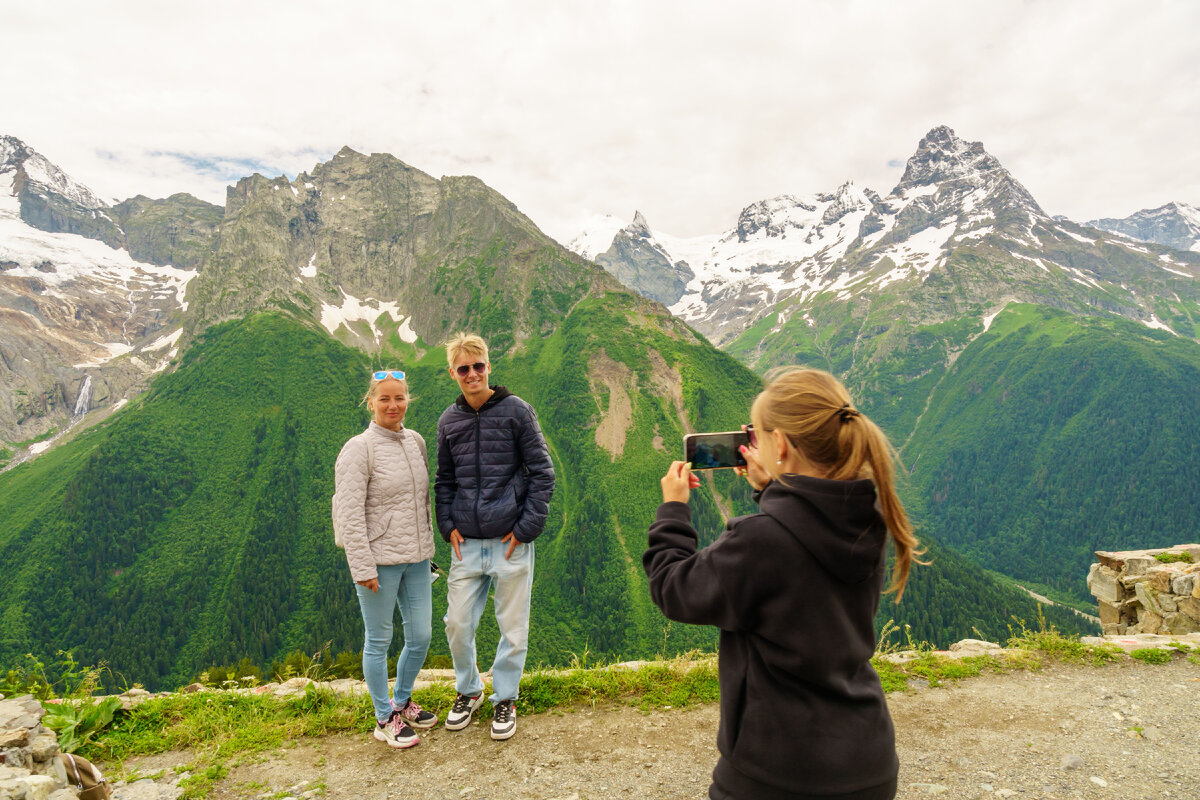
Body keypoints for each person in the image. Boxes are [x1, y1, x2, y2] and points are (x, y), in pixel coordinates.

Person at [644, 368, 921, 800]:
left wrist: (673, 512)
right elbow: (803, 545)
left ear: (784, 446)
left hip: (777, 772)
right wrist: (773, 486)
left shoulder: (761, 542)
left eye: (760, 435)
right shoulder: (868, 519)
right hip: (869, 764)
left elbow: (673, 588)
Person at [435, 333, 555, 740]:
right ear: (453, 373)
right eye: (463, 368)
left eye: (478, 366)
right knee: (456, 623)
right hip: (465, 542)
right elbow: (445, 480)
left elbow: (543, 472)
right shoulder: (448, 422)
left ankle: (505, 698)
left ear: (489, 366)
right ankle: (469, 691)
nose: (472, 374)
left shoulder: (518, 412)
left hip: (510, 540)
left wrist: (526, 529)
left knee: (513, 627)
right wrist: (446, 525)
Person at [333, 369, 439, 749]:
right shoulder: (358, 448)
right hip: (378, 561)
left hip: (415, 558)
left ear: (408, 399)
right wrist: (362, 566)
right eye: (384, 399)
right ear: (371, 402)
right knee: (379, 639)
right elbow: (349, 512)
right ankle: (384, 717)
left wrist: (426, 551)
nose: (393, 405)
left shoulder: (417, 443)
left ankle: (403, 700)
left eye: (399, 398)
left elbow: (420, 503)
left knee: (421, 635)